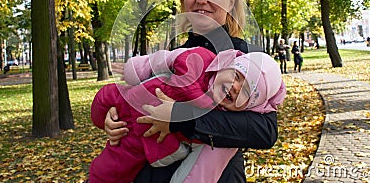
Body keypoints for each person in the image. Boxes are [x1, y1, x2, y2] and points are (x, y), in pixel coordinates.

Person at [97, 0, 281, 182]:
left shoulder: (248, 59)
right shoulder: (169, 59)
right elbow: (136, 101)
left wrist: (182, 121)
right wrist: (115, 120)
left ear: (231, 1)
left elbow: (265, 130)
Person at [89, 47, 286, 182]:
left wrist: (179, 119)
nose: (202, 1)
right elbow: (153, 67)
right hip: (140, 157)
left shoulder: (252, 58)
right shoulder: (191, 53)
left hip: (169, 157)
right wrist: (110, 116)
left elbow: (265, 131)